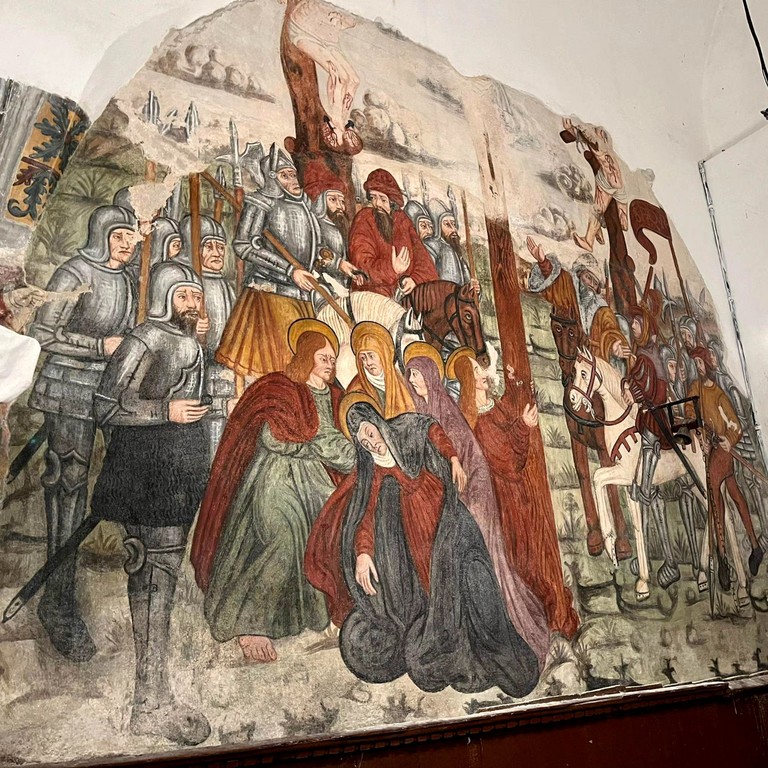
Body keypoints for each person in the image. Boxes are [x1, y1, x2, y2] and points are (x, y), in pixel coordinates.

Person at [305, 399, 541, 697]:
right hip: (422, 545)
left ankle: (501, 652)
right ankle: (461, 650)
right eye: (364, 442)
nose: (372, 444)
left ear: (378, 424)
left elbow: (430, 428)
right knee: (445, 600)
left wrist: (453, 458)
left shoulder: (402, 429)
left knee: (477, 582)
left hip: (448, 520)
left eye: (371, 433)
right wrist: (363, 553)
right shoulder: (373, 472)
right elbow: (366, 515)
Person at [91, 268, 211, 746]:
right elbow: (105, 405)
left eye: (196, 296)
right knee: (153, 578)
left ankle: (156, 697)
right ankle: (148, 704)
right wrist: (164, 412)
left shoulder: (193, 343)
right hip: (145, 471)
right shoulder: (143, 339)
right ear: (163, 296)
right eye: (183, 295)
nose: (192, 303)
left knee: (165, 576)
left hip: (178, 472)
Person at [191, 320, 355, 663]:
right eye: (323, 357)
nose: (329, 364)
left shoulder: (336, 398)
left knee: (333, 525)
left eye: (332, 359)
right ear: (306, 355)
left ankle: (314, 612)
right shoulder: (281, 388)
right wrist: (317, 446)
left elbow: (341, 446)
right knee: (282, 532)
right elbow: (272, 438)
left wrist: (343, 452)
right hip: (273, 474)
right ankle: (249, 623)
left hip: (315, 477)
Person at [28, 205, 139, 661]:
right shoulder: (73, 272)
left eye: (131, 236)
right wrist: (97, 346)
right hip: (68, 388)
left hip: (111, 392)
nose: (127, 244)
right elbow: (41, 332)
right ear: (101, 234)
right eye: (119, 236)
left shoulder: (129, 280)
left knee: (133, 473)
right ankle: (58, 602)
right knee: (69, 488)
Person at [404, 347, 550, 664]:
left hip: (475, 495)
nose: (413, 380)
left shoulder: (446, 410)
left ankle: (504, 631)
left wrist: (461, 482)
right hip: (454, 499)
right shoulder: (423, 411)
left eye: (417, 374)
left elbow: (470, 458)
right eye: (410, 375)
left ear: (430, 377)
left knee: (483, 562)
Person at [447, 346, 579, 639]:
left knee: (537, 553)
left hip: (519, 495)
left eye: (481, 368)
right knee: (523, 558)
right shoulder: (474, 421)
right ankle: (537, 616)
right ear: (468, 380)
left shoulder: (493, 405)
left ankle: (552, 609)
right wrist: (523, 427)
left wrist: (517, 388)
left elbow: (508, 414)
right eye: (476, 371)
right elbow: (505, 458)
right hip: (504, 501)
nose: (483, 373)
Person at [220, 144, 342, 377]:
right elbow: (244, 245)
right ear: (272, 178)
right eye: (285, 176)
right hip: (269, 296)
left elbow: (314, 249)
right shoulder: (261, 202)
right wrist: (289, 271)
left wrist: (338, 264)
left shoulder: (303, 206)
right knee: (276, 367)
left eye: (293, 175)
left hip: (302, 296)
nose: (293, 181)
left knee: (303, 368)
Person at [685, 347, 764, 590]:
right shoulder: (694, 389)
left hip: (721, 450)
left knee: (715, 496)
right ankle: (755, 546)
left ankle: (723, 560)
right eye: (695, 363)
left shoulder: (718, 393)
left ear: (707, 365)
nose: (698, 367)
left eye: (700, 362)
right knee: (735, 494)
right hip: (708, 448)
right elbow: (689, 411)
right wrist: (698, 432)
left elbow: (735, 424)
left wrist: (728, 440)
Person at [622, 305, 680, 589]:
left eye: (635, 323)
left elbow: (652, 390)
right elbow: (635, 379)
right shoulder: (642, 355)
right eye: (631, 323)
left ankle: (644, 487)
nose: (632, 327)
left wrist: (632, 390)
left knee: (647, 443)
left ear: (645, 326)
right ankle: (645, 555)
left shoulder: (652, 356)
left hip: (655, 420)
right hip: (645, 416)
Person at [175, 214, 237, 458]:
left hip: (219, 372)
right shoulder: (181, 286)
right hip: (189, 373)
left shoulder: (227, 288)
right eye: (208, 246)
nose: (217, 253)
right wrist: (190, 330)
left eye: (220, 247)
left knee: (218, 446)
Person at [526, 236, 630, 365]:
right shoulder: (569, 290)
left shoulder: (601, 310)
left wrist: (612, 344)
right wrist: (543, 263)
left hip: (593, 362)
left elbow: (610, 329)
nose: (591, 284)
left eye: (595, 283)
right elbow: (558, 281)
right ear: (579, 274)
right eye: (588, 277)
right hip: (568, 355)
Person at [708, 336, 768, 550]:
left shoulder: (727, 384)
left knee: (751, 484)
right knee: (740, 486)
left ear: (718, 356)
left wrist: (732, 437)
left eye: (713, 354)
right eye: (709, 355)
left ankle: (764, 532)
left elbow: (739, 419)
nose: (711, 359)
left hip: (739, 443)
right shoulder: (713, 383)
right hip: (729, 444)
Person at [348, 169, 438, 300]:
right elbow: (361, 264)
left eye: (383, 199)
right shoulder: (364, 218)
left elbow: (423, 260)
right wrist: (392, 268)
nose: (377, 204)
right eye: (373, 197)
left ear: (392, 201)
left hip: (404, 298)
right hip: (372, 298)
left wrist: (415, 279)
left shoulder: (402, 220)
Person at [561, 118, 628, 254]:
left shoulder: (599, 143)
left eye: (595, 131)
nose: (592, 133)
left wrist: (574, 125)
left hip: (609, 181)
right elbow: (584, 137)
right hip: (614, 182)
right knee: (606, 213)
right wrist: (571, 129)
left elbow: (588, 137)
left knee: (598, 211)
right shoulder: (604, 143)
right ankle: (595, 233)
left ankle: (590, 239)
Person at [347, 321, 413, 418]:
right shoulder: (356, 389)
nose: (368, 363)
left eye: (371, 356)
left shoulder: (399, 381)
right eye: (363, 358)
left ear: (383, 355)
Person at [425, 197, 478, 290]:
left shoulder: (456, 251)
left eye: (453, 224)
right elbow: (428, 281)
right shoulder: (432, 246)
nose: (453, 229)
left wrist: (473, 289)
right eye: (447, 224)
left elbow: (466, 285)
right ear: (437, 226)